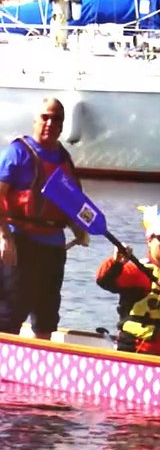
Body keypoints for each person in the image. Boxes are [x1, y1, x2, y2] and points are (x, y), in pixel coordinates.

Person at [0, 98, 90, 338]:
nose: (50, 123)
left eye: (56, 119)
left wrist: (79, 229)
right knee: (9, 314)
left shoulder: (64, 159)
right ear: (35, 120)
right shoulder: (17, 153)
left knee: (47, 318)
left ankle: (42, 356)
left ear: (62, 125)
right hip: (19, 244)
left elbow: (71, 203)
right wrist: (4, 237)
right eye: (45, 117)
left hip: (53, 248)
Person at [94, 205, 160, 358]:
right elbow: (104, 281)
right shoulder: (135, 272)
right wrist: (116, 263)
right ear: (149, 240)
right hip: (135, 354)